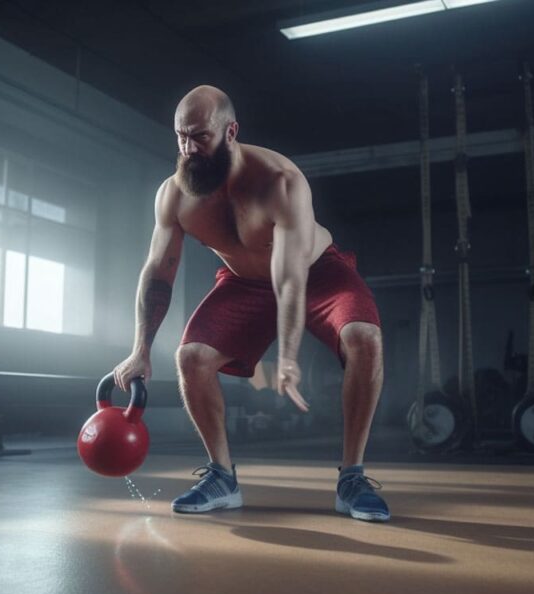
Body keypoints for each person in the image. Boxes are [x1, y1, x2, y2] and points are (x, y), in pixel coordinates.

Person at [112, 85, 389, 522]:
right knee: (191, 358)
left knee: (364, 337)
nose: (188, 149)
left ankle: (351, 478)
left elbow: (291, 276)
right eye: (181, 136)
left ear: (230, 131)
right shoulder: (175, 194)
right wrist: (140, 349)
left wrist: (290, 354)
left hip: (317, 274)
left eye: (200, 136)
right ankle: (222, 477)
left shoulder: (280, 181)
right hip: (243, 284)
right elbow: (158, 272)